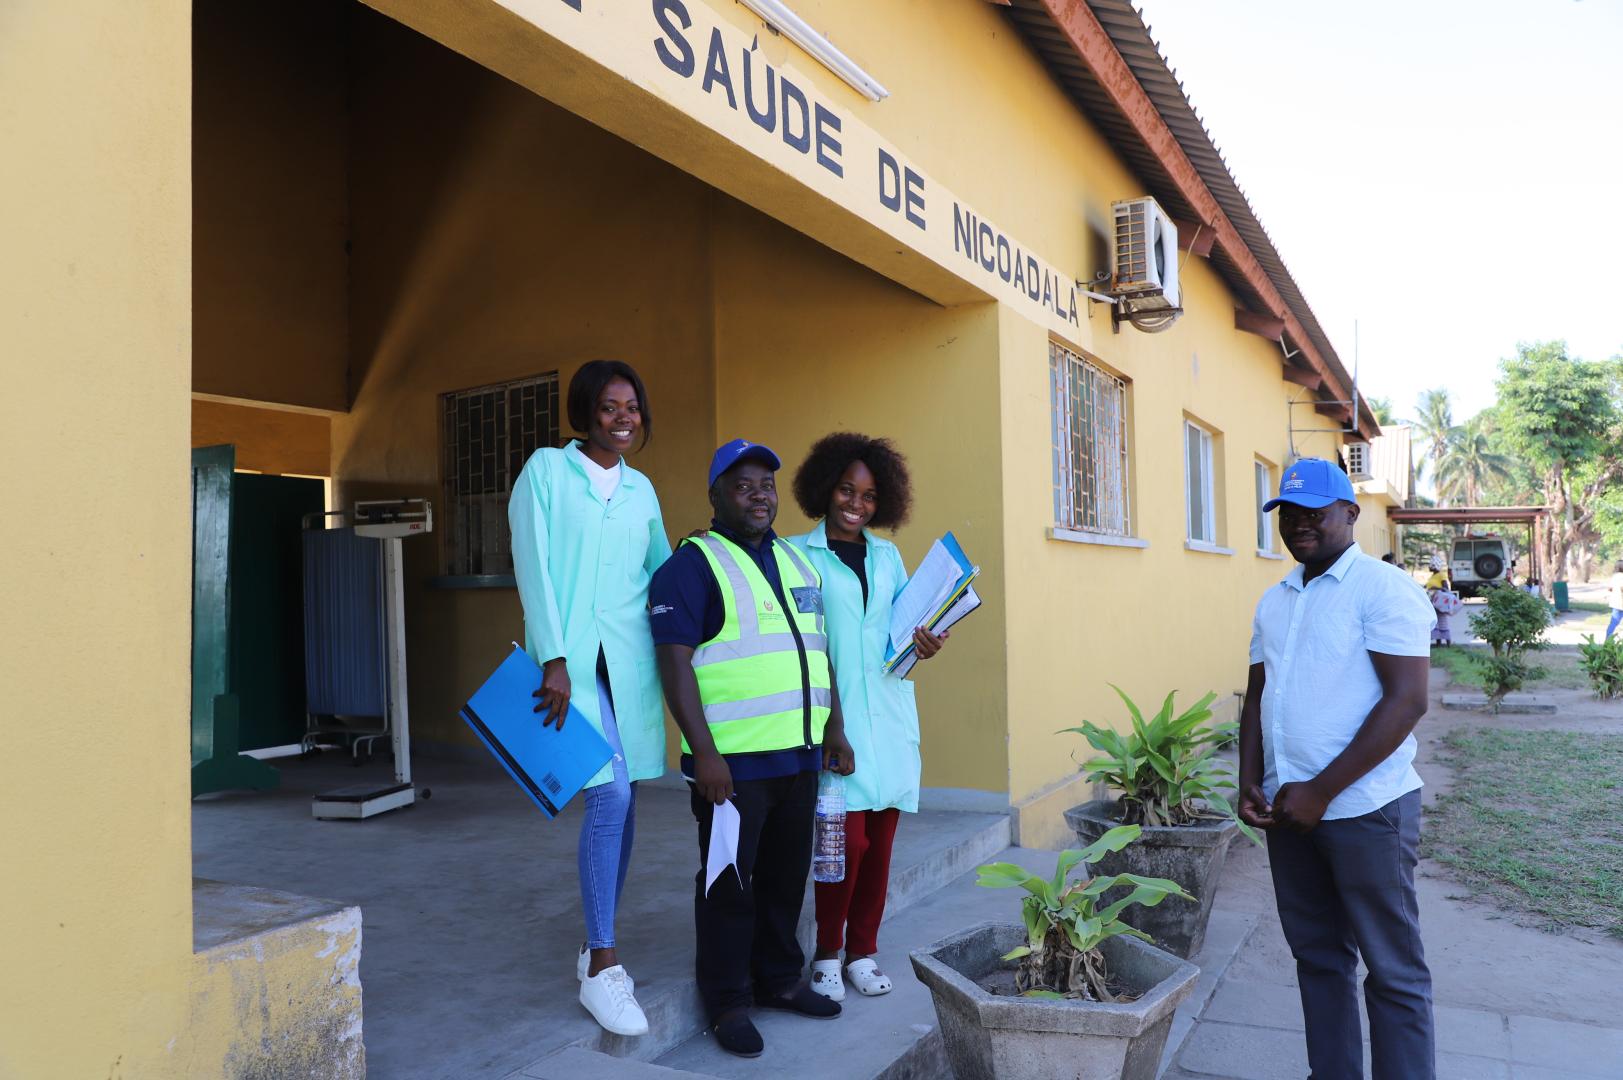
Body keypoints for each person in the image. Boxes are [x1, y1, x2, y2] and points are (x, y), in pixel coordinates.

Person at [649, 439, 857, 1059]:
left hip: (798, 758)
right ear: (715, 495)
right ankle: (729, 1001)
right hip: (732, 770)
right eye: (743, 485)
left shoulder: (798, 562)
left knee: (784, 879)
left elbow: (818, 653)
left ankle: (779, 981)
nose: (759, 495)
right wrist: (704, 754)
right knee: (729, 886)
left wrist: (834, 728)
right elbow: (675, 665)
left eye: (766, 483)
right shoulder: (690, 567)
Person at [1239, 457, 1437, 1080]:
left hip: (1366, 810)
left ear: (1350, 514)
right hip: (1290, 812)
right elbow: (1257, 693)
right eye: (1288, 513)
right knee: (1319, 959)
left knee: (1392, 968)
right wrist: (1250, 779)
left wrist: (1321, 791)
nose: (1300, 523)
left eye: (1315, 511)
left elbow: (1407, 699)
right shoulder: (1275, 600)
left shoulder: (1382, 590)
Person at [507, 360, 672, 1037]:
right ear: (586, 413)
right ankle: (603, 963)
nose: (623, 418)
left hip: (628, 664)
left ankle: (595, 948)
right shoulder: (546, 472)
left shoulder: (641, 491)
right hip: (569, 665)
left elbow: (665, 574)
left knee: (625, 803)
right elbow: (532, 562)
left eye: (632, 407)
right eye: (609, 408)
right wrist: (552, 657)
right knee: (611, 796)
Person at [785, 433, 947, 1004]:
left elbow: (901, 629)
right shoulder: (796, 556)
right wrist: (832, 728)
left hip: (890, 716)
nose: (856, 503)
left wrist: (925, 641)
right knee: (842, 846)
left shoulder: (886, 556)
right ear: (825, 489)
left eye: (870, 495)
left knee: (879, 845)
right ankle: (827, 952)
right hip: (837, 727)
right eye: (847, 490)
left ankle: (863, 952)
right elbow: (802, 646)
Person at [1424, 554, 1455, 647]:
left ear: (1435, 566)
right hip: (1433, 603)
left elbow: (1446, 588)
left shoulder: (1441, 575)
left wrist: (1435, 587)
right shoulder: (1433, 576)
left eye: (1431, 565)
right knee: (1436, 623)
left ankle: (1448, 643)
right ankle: (1438, 643)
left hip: (1440, 603)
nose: (1429, 567)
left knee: (1443, 622)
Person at [1607, 560, 1623, 641]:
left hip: (1615, 603)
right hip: (1621, 603)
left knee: (1613, 623)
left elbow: (1609, 588)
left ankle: (1608, 640)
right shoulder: (1622, 576)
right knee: (1614, 622)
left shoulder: (1614, 576)